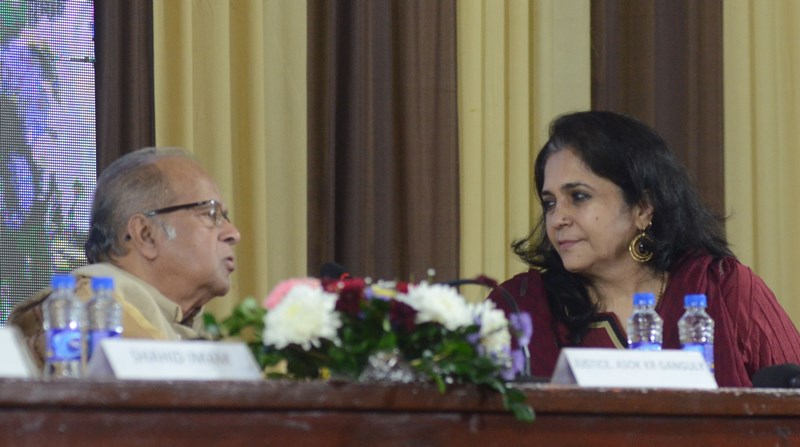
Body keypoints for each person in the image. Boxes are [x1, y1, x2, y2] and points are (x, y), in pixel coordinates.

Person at [490, 111, 800, 387]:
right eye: (550, 203)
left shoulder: (723, 289)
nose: (558, 218)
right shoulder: (519, 307)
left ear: (643, 208)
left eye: (579, 197)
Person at [9, 147, 242, 368]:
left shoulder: (184, 327)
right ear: (146, 235)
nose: (233, 234)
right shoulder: (87, 313)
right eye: (211, 214)